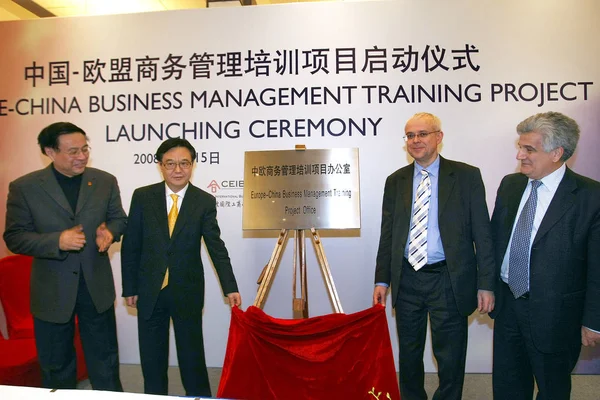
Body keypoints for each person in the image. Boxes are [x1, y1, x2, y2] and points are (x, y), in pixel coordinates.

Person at [372, 112, 495, 400]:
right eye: (410, 135)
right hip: (407, 278)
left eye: (422, 134)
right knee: (409, 354)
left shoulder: (466, 176)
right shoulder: (396, 181)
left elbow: (483, 234)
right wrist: (382, 280)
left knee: (450, 355)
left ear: (438, 137)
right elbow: (387, 234)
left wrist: (486, 283)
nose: (416, 141)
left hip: (448, 279)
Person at [3, 122, 127, 390]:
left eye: (84, 149)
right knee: (56, 364)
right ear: (50, 151)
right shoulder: (25, 188)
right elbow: (14, 237)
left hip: (96, 285)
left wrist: (111, 231)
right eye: (72, 151)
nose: (81, 156)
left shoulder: (104, 181)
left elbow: (119, 218)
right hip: (52, 289)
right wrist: (57, 240)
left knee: (105, 361)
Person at [490, 111, 600, 400]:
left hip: (557, 314)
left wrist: (593, 320)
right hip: (508, 306)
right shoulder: (510, 186)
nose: (520, 155)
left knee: (553, 390)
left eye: (529, 149)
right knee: (508, 388)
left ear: (557, 153)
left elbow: (598, 266)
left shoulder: (590, 196)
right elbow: (495, 242)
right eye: (520, 147)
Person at [121, 137, 241, 397]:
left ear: (193, 165)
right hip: (149, 290)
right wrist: (129, 286)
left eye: (184, 163)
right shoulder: (143, 197)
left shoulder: (203, 201)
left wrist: (229, 286)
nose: (178, 170)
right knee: (152, 359)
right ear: (160, 166)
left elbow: (215, 246)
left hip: (186, 290)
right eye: (170, 164)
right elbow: (131, 245)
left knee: (192, 356)